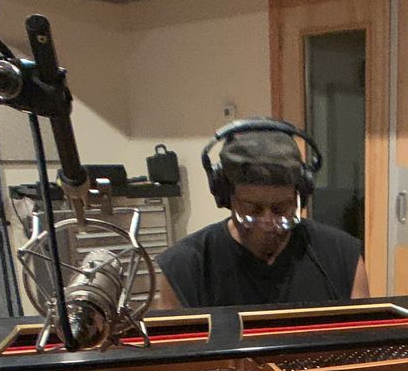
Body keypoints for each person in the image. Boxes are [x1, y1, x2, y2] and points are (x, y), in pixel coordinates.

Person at [155, 120, 369, 308]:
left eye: (280, 209)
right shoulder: (183, 268)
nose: (267, 222)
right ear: (226, 198)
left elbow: (364, 339)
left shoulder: (343, 258)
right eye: (252, 209)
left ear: (299, 197)